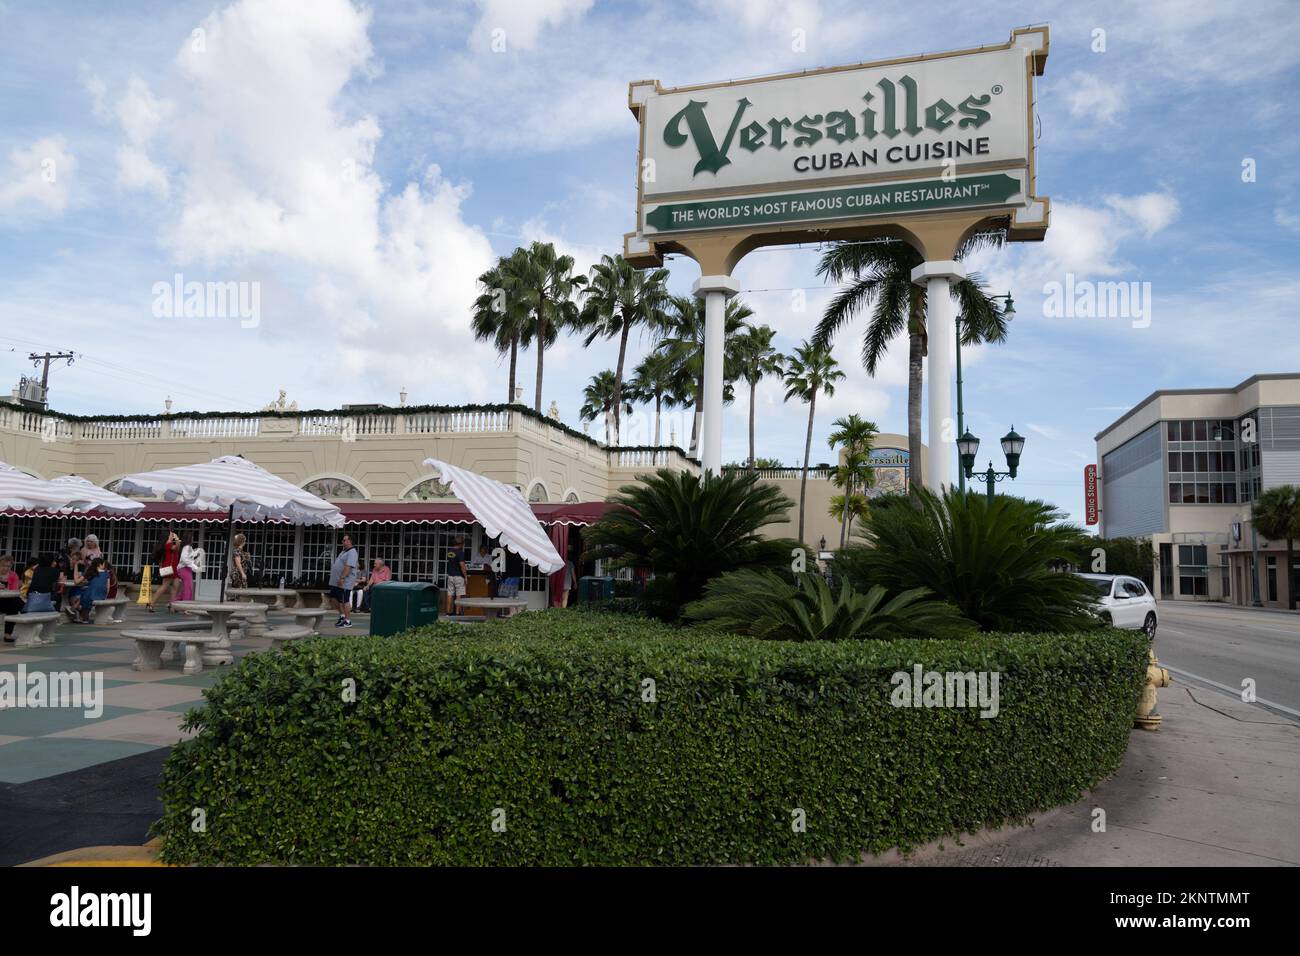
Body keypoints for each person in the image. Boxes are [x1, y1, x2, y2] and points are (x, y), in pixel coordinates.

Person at [20, 554, 62, 630]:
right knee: (58, 596)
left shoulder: (37, 569)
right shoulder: (55, 571)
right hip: (46, 595)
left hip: (32, 594)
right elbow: (55, 583)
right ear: (51, 562)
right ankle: (56, 618)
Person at [329, 535, 359, 628]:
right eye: (342, 540)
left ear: (350, 541)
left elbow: (348, 566)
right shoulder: (343, 551)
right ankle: (342, 616)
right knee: (333, 598)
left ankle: (348, 621)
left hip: (345, 582)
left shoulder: (352, 552)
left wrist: (342, 578)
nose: (342, 541)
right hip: (336, 582)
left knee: (344, 600)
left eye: (344, 540)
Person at [148, 531, 182, 613]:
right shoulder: (167, 544)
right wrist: (177, 539)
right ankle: (151, 604)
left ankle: (172, 606)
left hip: (174, 568)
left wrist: (176, 541)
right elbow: (176, 548)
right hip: (169, 568)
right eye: (171, 534)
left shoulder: (170, 544)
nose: (173, 535)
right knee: (164, 586)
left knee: (175, 587)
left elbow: (177, 549)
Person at [444, 536, 468, 614]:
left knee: (450, 594)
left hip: (450, 575)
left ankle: (448, 612)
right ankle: (457, 613)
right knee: (459, 594)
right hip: (458, 576)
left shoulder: (449, 551)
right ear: (460, 544)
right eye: (463, 544)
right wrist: (465, 576)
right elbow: (462, 565)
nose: (463, 545)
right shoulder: (460, 552)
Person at [0, 555, 22, 638]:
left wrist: (6, 588)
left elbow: (15, 591)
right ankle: (27, 612)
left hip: (8, 601)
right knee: (16, 604)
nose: (5, 568)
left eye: (8, 566)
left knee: (14, 605)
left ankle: (7, 634)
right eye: (3, 565)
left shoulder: (13, 575)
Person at [177, 532, 202, 603]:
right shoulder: (187, 547)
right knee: (188, 588)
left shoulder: (186, 547)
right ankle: (185, 607)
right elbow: (184, 558)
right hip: (184, 569)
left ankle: (174, 603)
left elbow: (187, 558)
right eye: (192, 537)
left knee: (186, 588)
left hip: (185, 569)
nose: (193, 538)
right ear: (189, 538)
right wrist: (194, 566)